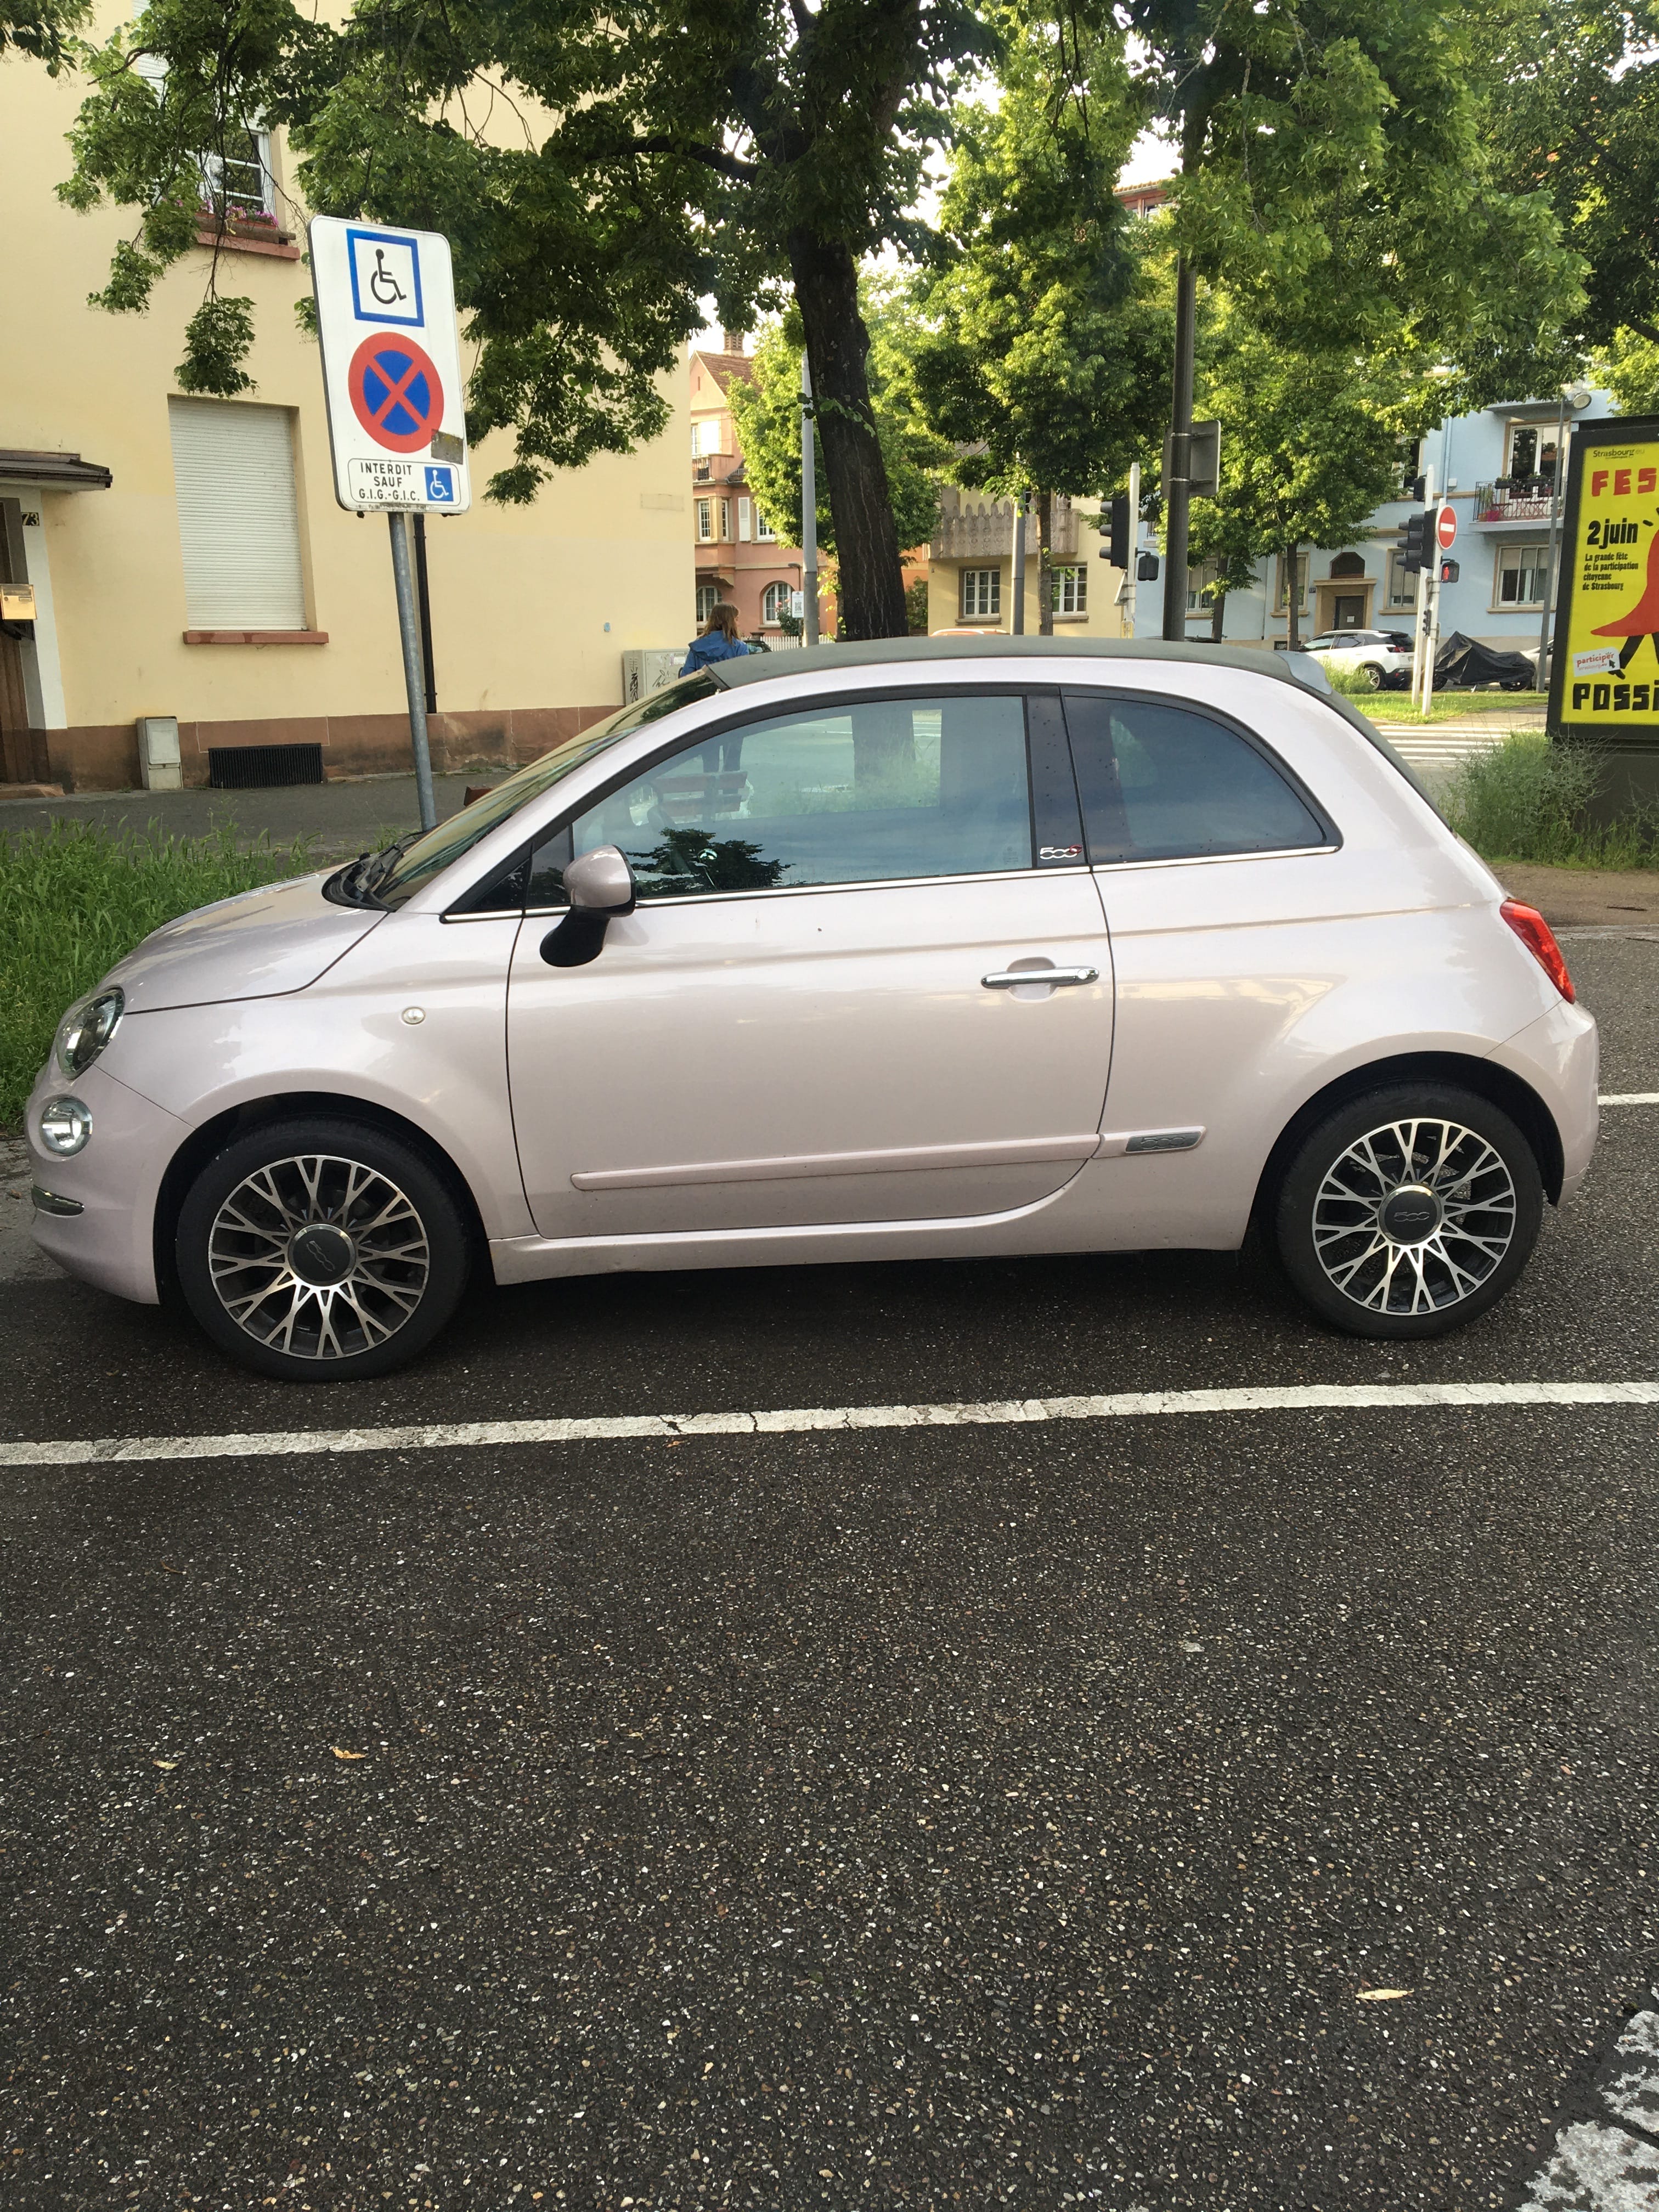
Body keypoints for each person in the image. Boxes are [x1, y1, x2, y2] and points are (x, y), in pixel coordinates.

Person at [680, 601, 751, 676]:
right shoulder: (739, 647)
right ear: (729, 622)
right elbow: (744, 677)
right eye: (736, 619)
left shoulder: (697, 647)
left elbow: (686, 677)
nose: (738, 624)